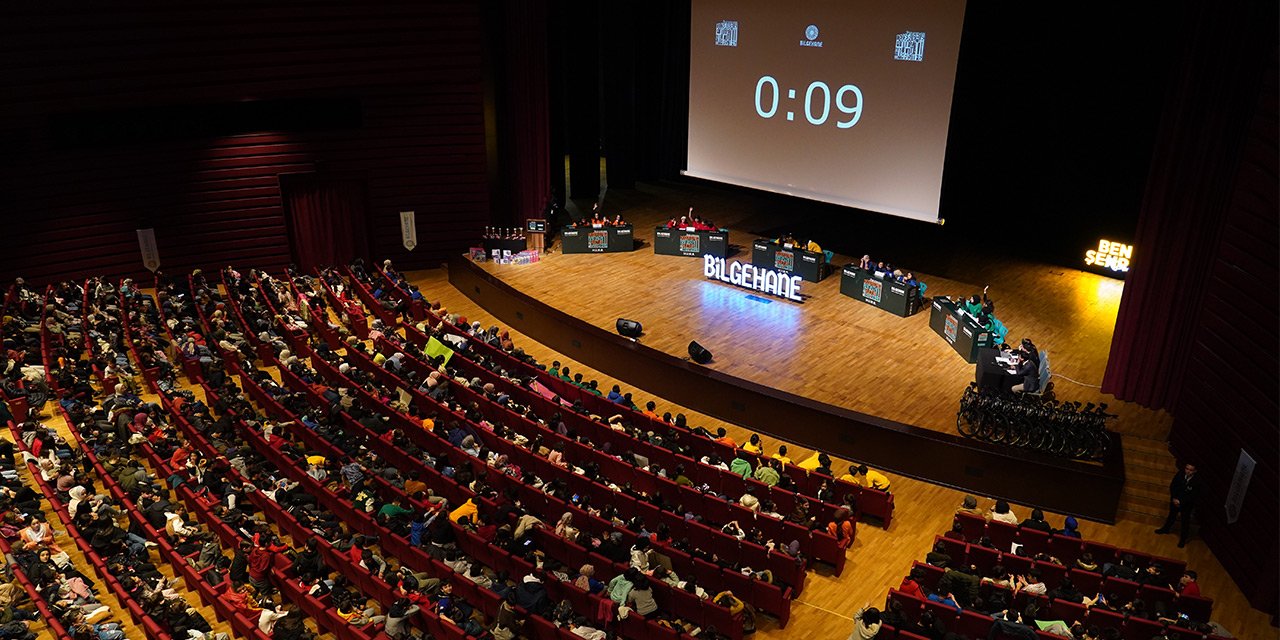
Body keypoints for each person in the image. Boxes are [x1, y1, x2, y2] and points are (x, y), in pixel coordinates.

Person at [1155, 462, 1200, 547]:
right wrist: (1174, 498)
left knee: (1185, 522)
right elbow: (1173, 486)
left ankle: (1183, 539)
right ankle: (1166, 529)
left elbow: (1194, 495)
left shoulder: (1197, 481)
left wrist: (1181, 502)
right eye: (1187, 469)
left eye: (1191, 470)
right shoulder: (1180, 474)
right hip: (1175, 500)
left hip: (1186, 505)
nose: (1188, 471)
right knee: (1171, 516)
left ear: (1195, 471)